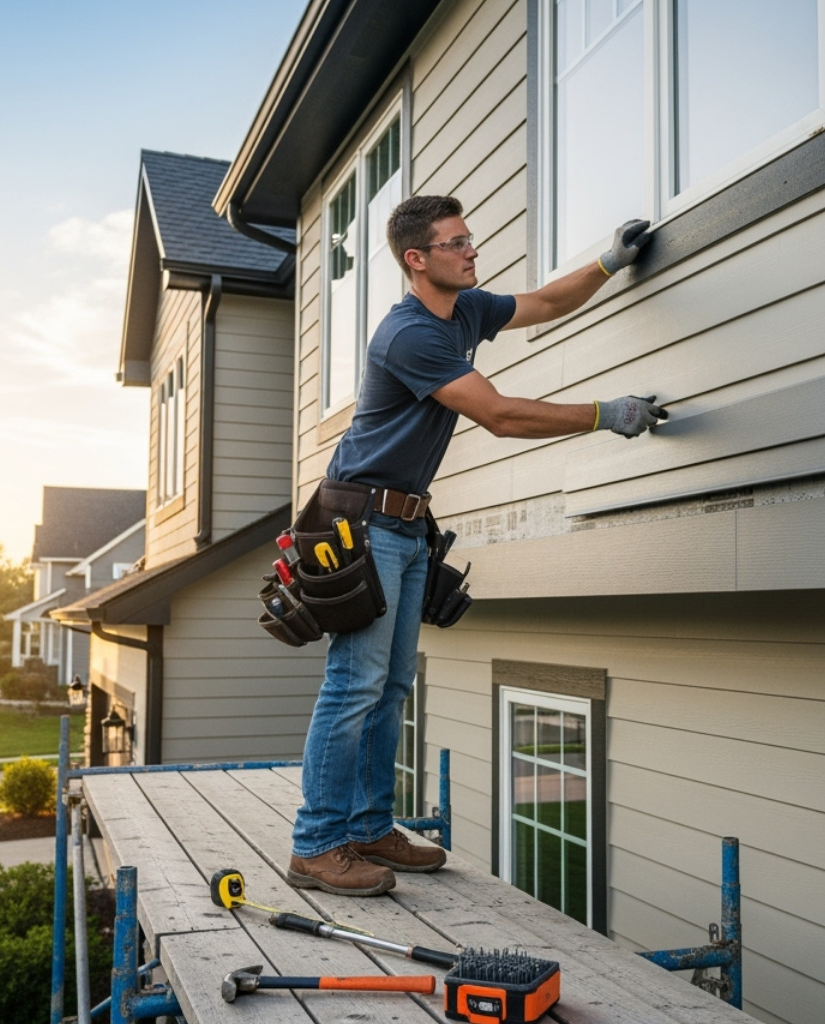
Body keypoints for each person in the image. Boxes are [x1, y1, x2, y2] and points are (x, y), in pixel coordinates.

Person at [289, 195, 664, 896]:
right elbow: (499, 415)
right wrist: (606, 415)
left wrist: (609, 261)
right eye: (456, 243)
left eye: (469, 240)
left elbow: (546, 302)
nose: (471, 250)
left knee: (393, 684)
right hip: (360, 526)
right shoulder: (408, 336)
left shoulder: (463, 311)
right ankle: (316, 844)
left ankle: (369, 826)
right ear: (417, 259)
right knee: (354, 685)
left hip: (402, 526)